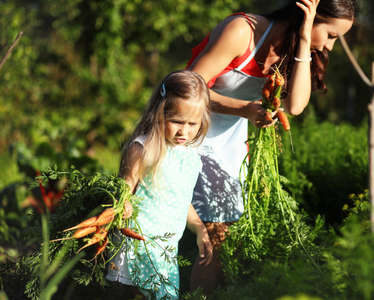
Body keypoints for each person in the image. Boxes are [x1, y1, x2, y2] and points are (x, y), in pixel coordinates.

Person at [185, 0, 356, 294]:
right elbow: (186, 87)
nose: (330, 46)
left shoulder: (294, 49)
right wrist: (244, 110)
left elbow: (296, 105)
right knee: (187, 232)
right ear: (311, 16)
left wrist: (304, 40)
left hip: (226, 145)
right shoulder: (243, 31)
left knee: (220, 241)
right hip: (184, 131)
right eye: (330, 35)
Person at [105, 70, 213, 300]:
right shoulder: (143, 149)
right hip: (138, 242)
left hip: (166, 249)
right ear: (160, 113)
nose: (184, 131)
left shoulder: (190, 156)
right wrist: (123, 203)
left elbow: (181, 200)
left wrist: (198, 228)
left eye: (192, 124)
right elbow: (126, 186)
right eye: (176, 122)